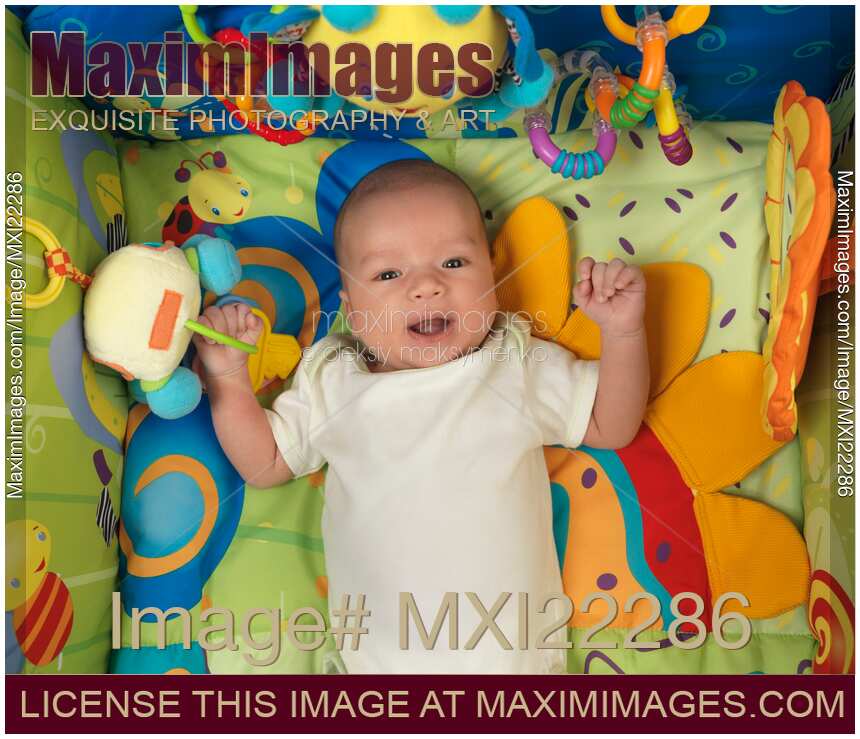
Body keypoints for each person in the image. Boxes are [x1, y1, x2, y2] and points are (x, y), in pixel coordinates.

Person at [192, 159, 649, 673]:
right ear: (351, 308)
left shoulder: (512, 363)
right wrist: (229, 379)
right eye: (389, 274)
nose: (426, 285)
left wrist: (623, 333)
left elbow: (611, 425)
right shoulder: (334, 381)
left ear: (493, 277)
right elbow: (265, 463)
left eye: (453, 262)